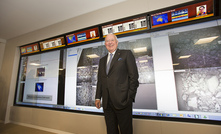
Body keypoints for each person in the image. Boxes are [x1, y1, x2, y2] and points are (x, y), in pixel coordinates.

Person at [95, 33, 139, 134]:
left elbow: (134, 77)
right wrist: (98, 97)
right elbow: (100, 80)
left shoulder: (126, 54)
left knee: (125, 131)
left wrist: (129, 97)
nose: (110, 43)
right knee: (111, 131)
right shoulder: (102, 61)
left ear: (117, 42)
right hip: (107, 103)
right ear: (105, 44)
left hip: (123, 101)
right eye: (107, 41)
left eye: (112, 40)